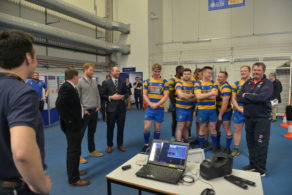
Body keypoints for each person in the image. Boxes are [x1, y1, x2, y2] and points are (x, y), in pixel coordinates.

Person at [0, 29, 51, 194]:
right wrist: (41, 186)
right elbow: (23, 153)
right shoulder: (21, 92)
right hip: (15, 187)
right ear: (28, 57)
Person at [237, 62, 273, 176]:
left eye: (258, 70)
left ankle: (260, 169)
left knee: (260, 143)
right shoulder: (248, 82)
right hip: (249, 117)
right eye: (254, 70)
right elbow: (239, 98)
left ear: (263, 71)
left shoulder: (267, 83)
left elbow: (262, 97)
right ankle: (252, 164)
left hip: (262, 119)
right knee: (251, 143)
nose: (256, 72)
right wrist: (252, 97)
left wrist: (246, 95)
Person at [56, 68, 90, 186]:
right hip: (72, 125)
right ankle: (74, 179)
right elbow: (59, 105)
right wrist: (70, 121)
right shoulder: (67, 87)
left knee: (74, 149)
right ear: (75, 77)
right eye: (78, 77)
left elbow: (72, 104)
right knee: (74, 151)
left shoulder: (69, 86)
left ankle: (74, 171)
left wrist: (82, 111)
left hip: (74, 123)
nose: (78, 79)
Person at [77, 63, 103, 164]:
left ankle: (92, 150)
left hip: (95, 110)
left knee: (92, 132)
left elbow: (97, 94)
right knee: (81, 134)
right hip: (85, 112)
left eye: (93, 70)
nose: (93, 72)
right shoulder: (79, 82)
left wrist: (98, 105)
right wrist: (82, 109)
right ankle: (78, 155)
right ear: (85, 70)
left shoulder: (94, 81)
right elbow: (77, 97)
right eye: (91, 70)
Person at [101, 66, 129, 153]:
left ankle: (120, 144)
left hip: (121, 109)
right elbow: (102, 95)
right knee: (110, 128)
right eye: (116, 71)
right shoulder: (105, 82)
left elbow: (127, 93)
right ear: (111, 72)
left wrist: (123, 96)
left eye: (119, 71)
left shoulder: (122, 82)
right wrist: (111, 97)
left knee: (121, 128)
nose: (118, 73)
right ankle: (110, 145)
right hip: (111, 110)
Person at [141, 64, 169, 152]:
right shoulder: (147, 81)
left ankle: (156, 145)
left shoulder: (165, 82)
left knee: (157, 128)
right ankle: (146, 144)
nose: (157, 73)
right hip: (150, 108)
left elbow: (166, 96)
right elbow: (144, 95)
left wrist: (157, 104)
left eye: (158, 71)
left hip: (159, 108)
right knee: (146, 127)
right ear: (152, 71)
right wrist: (150, 104)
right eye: (155, 71)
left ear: (160, 71)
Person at [194, 66, 218, 152]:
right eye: (209, 73)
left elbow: (214, 96)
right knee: (202, 127)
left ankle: (214, 146)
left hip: (212, 109)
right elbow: (198, 96)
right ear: (203, 73)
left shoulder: (214, 83)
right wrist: (210, 93)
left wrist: (204, 94)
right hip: (202, 109)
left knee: (212, 128)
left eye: (211, 73)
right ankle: (201, 146)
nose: (210, 74)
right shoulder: (198, 83)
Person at [231, 65, 251, 157]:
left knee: (252, 131)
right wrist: (239, 109)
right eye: (241, 71)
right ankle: (236, 149)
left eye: (245, 71)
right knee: (237, 130)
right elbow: (233, 98)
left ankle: (253, 150)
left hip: (251, 110)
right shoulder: (236, 83)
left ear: (249, 72)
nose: (243, 72)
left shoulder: (254, 83)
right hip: (239, 110)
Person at [175, 68, 196, 142]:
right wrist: (191, 96)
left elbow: (196, 96)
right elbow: (180, 95)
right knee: (180, 127)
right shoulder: (179, 83)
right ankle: (178, 143)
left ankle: (186, 143)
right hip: (181, 109)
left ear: (190, 75)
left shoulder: (193, 84)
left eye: (188, 74)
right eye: (185, 74)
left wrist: (186, 96)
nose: (186, 76)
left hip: (190, 109)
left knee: (187, 127)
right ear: (182, 75)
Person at [216, 71, 233, 154]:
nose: (219, 78)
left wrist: (220, 114)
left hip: (225, 111)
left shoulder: (226, 87)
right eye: (218, 76)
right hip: (217, 110)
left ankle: (227, 148)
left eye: (221, 77)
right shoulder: (219, 85)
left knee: (227, 129)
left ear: (226, 78)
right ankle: (217, 145)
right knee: (216, 128)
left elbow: (225, 103)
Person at [168, 65, 184, 140]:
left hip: (181, 104)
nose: (183, 72)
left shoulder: (182, 80)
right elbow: (170, 93)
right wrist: (174, 104)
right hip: (174, 103)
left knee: (181, 120)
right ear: (178, 70)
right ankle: (173, 136)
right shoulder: (172, 80)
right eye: (182, 70)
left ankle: (181, 135)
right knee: (174, 120)